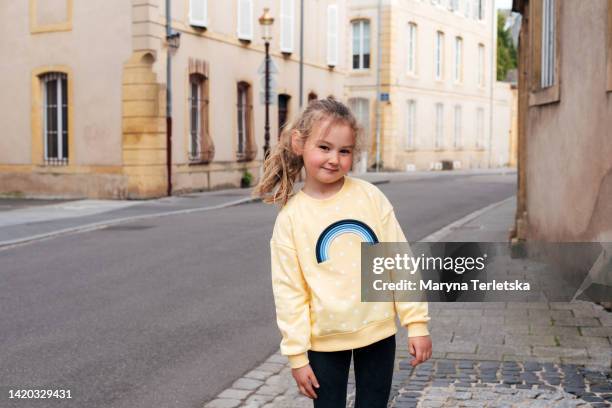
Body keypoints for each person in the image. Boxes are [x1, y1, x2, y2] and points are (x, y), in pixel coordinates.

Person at [252, 98, 432, 408]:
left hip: (377, 333)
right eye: (324, 147)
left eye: (344, 151)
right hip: (324, 341)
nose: (334, 159)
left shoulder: (369, 197)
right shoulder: (291, 219)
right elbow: (290, 293)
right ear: (299, 143)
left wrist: (416, 323)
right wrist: (297, 356)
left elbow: (398, 260)